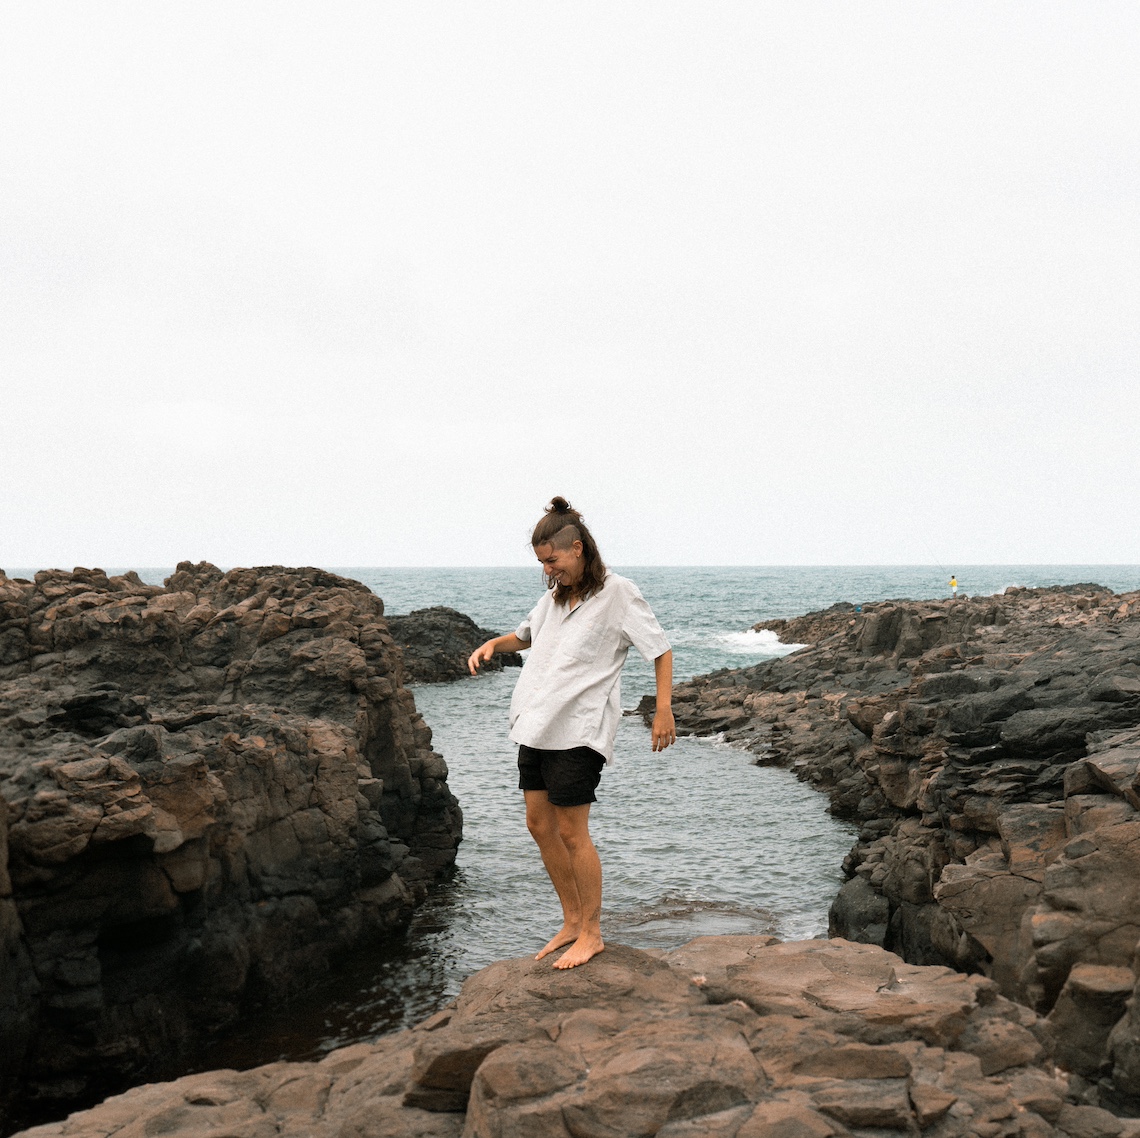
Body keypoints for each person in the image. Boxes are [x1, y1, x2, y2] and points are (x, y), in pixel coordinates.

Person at [467, 497, 676, 970]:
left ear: (577, 548)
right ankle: (572, 920)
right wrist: (493, 643)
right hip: (535, 724)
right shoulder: (555, 597)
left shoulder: (619, 593)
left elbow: (660, 650)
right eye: (542, 562)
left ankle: (593, 933)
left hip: (579, 729)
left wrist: (663, 709)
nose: (548, 569)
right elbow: (525, 637)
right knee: (539, 825)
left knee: (571, 831)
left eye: (552, 560)